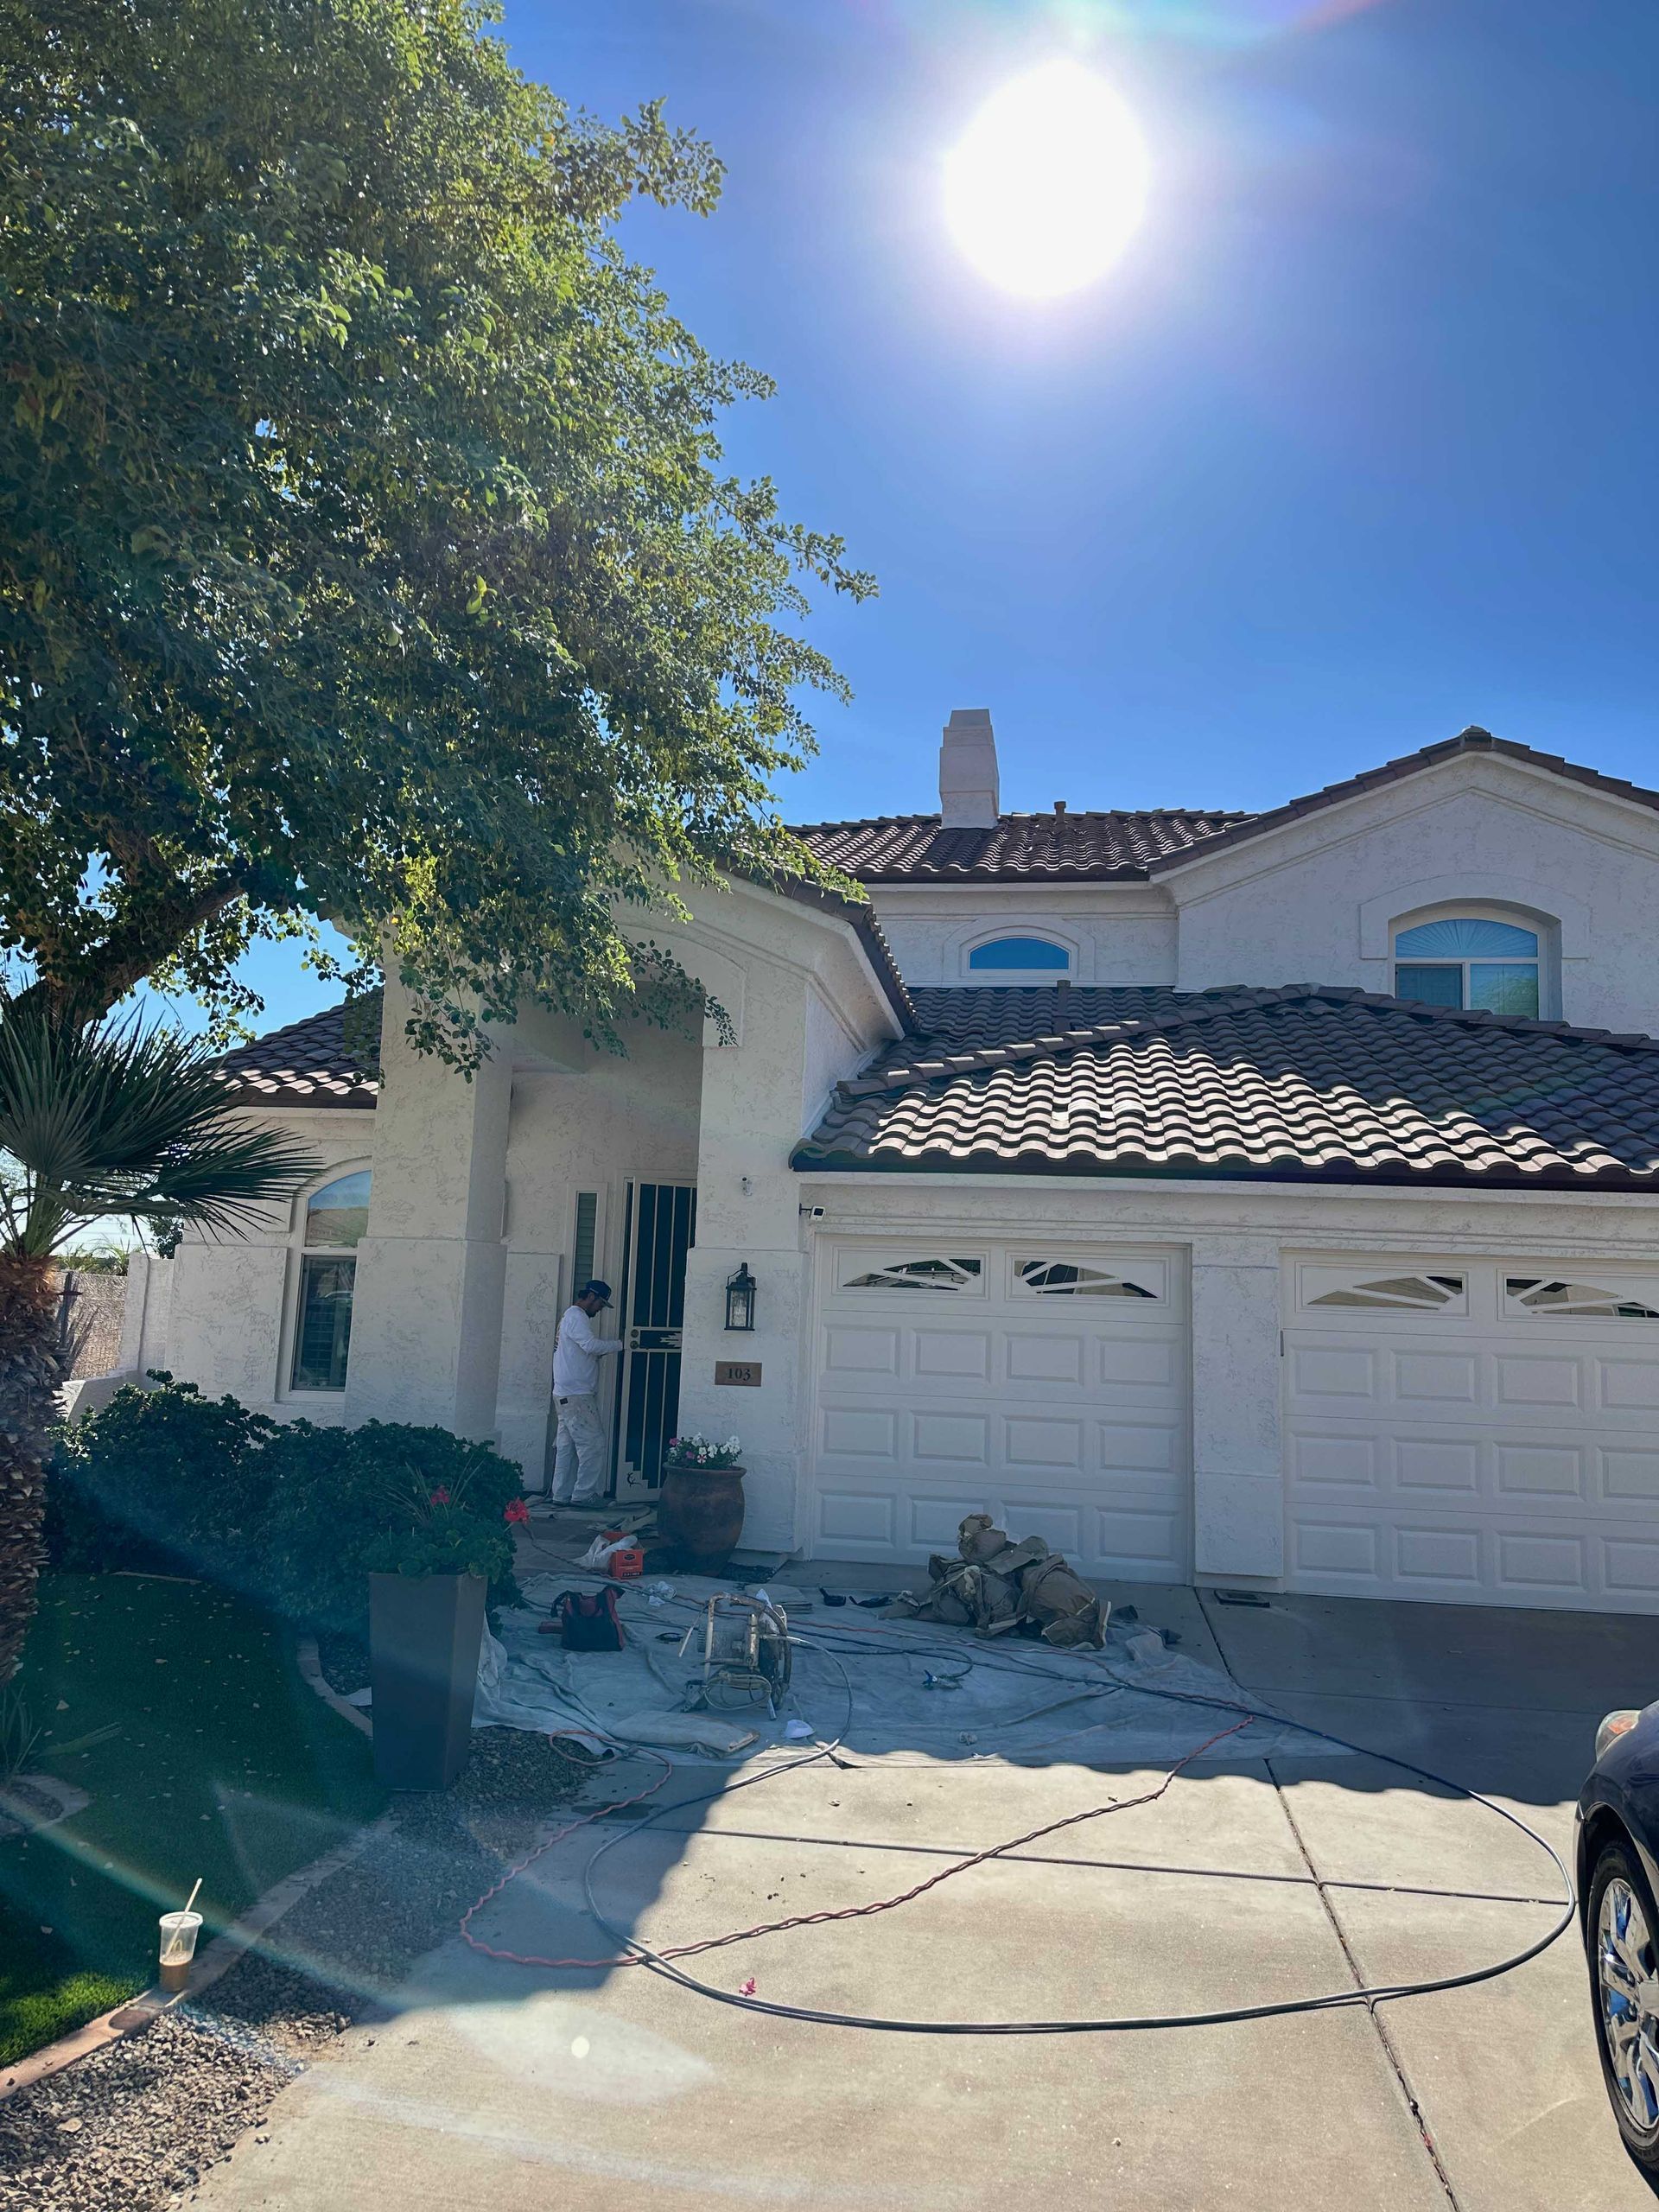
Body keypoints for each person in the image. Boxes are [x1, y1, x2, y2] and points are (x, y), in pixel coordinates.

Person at [550, 1279, 624, 1506]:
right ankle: (584, 1495)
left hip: (564, 1393)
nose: (601, 1309)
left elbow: (582, 1351)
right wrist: (622, 1344)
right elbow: (590, 1346)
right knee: (593, 1443)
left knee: (566, 1446)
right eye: (600, 1303)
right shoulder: (576, 1317)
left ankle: (560, 1495)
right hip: (576, 1396)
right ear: (591, 1297)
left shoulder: (569, 1318)